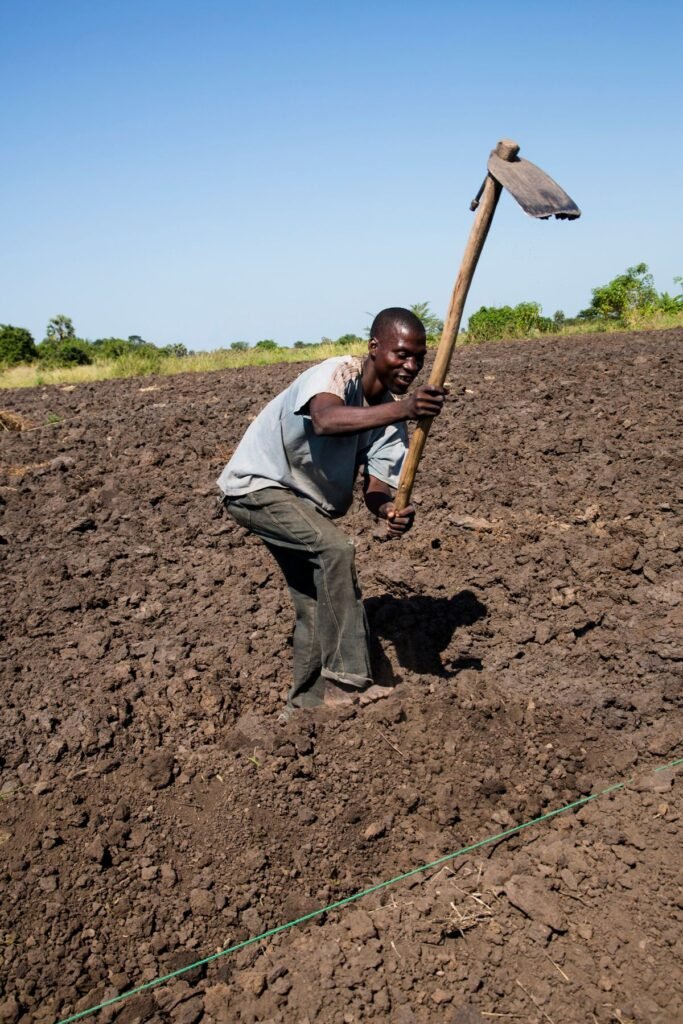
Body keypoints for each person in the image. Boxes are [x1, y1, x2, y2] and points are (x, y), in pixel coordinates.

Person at [217, 307, 445, 717]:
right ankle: (347, 679)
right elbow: (324, 419)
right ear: (374, 347)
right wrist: (405, 409)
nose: (410, 366)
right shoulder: (337, 373)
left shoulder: (391, 423)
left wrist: (389, 509)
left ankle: (303, 709)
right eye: (401, 354)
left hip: (302, 506)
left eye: (419, 358)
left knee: (314, 605)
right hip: (258, 486)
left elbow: (375, 487)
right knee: (336, 550)